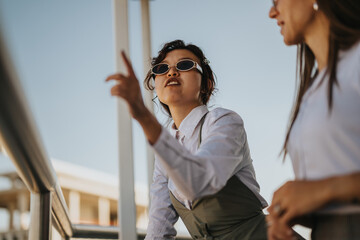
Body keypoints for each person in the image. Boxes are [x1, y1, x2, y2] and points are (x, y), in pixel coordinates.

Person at [106, 40, 268, 239]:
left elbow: (201, 182)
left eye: (184, 65)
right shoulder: (165, 152)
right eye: (162, 68)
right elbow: (159, 225)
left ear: (207, 83)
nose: (171, 72)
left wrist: (143, 115)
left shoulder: (224, 122)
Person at [268, 0, 360, 239]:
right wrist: (295, 211)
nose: (272, 12)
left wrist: (322, 191)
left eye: (276, 0)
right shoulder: (312, 89)